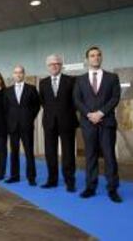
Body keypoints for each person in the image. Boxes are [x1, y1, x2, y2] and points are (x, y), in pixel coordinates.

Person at [73, 46, 122, 203]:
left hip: (106, 122)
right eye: (92, 55)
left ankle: (113, 188)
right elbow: (77, 100)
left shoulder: (112, 77)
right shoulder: (80, 80)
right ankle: (90, 187)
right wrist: (89, 114)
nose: (95, 57)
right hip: (88, 124)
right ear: (87, 59)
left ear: (101, 58)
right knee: (90, 156)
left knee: (109, 156)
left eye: (98, 55)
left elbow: (115, 98)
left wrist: (100, 113)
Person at [39, 54, 78, 192]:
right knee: (50, 152)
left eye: (57, 63)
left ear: (61, 65)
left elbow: (75, 101)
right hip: (49, 122)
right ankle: (52, 180)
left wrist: (64, 113)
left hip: (67, 121)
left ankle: (70, 181)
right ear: (47, 67)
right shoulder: (42, 83)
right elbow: (43, 102)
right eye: (51, 64)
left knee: (68, 153)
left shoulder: (71, 80)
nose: (54, 66)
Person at [4, 65, 40, 186]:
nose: (18, 75)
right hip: (13, 126)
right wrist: (9, 122)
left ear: (24, 74)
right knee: (14, 152)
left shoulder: (31, 88)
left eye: (20, 73)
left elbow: (37, 106)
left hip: (27, 125)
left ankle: (31, 177)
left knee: (29, 152)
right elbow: (6, 108)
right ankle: (14, 176)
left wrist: (30, 118)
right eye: (16, 73)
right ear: (13, 75)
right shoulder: (7, 91)